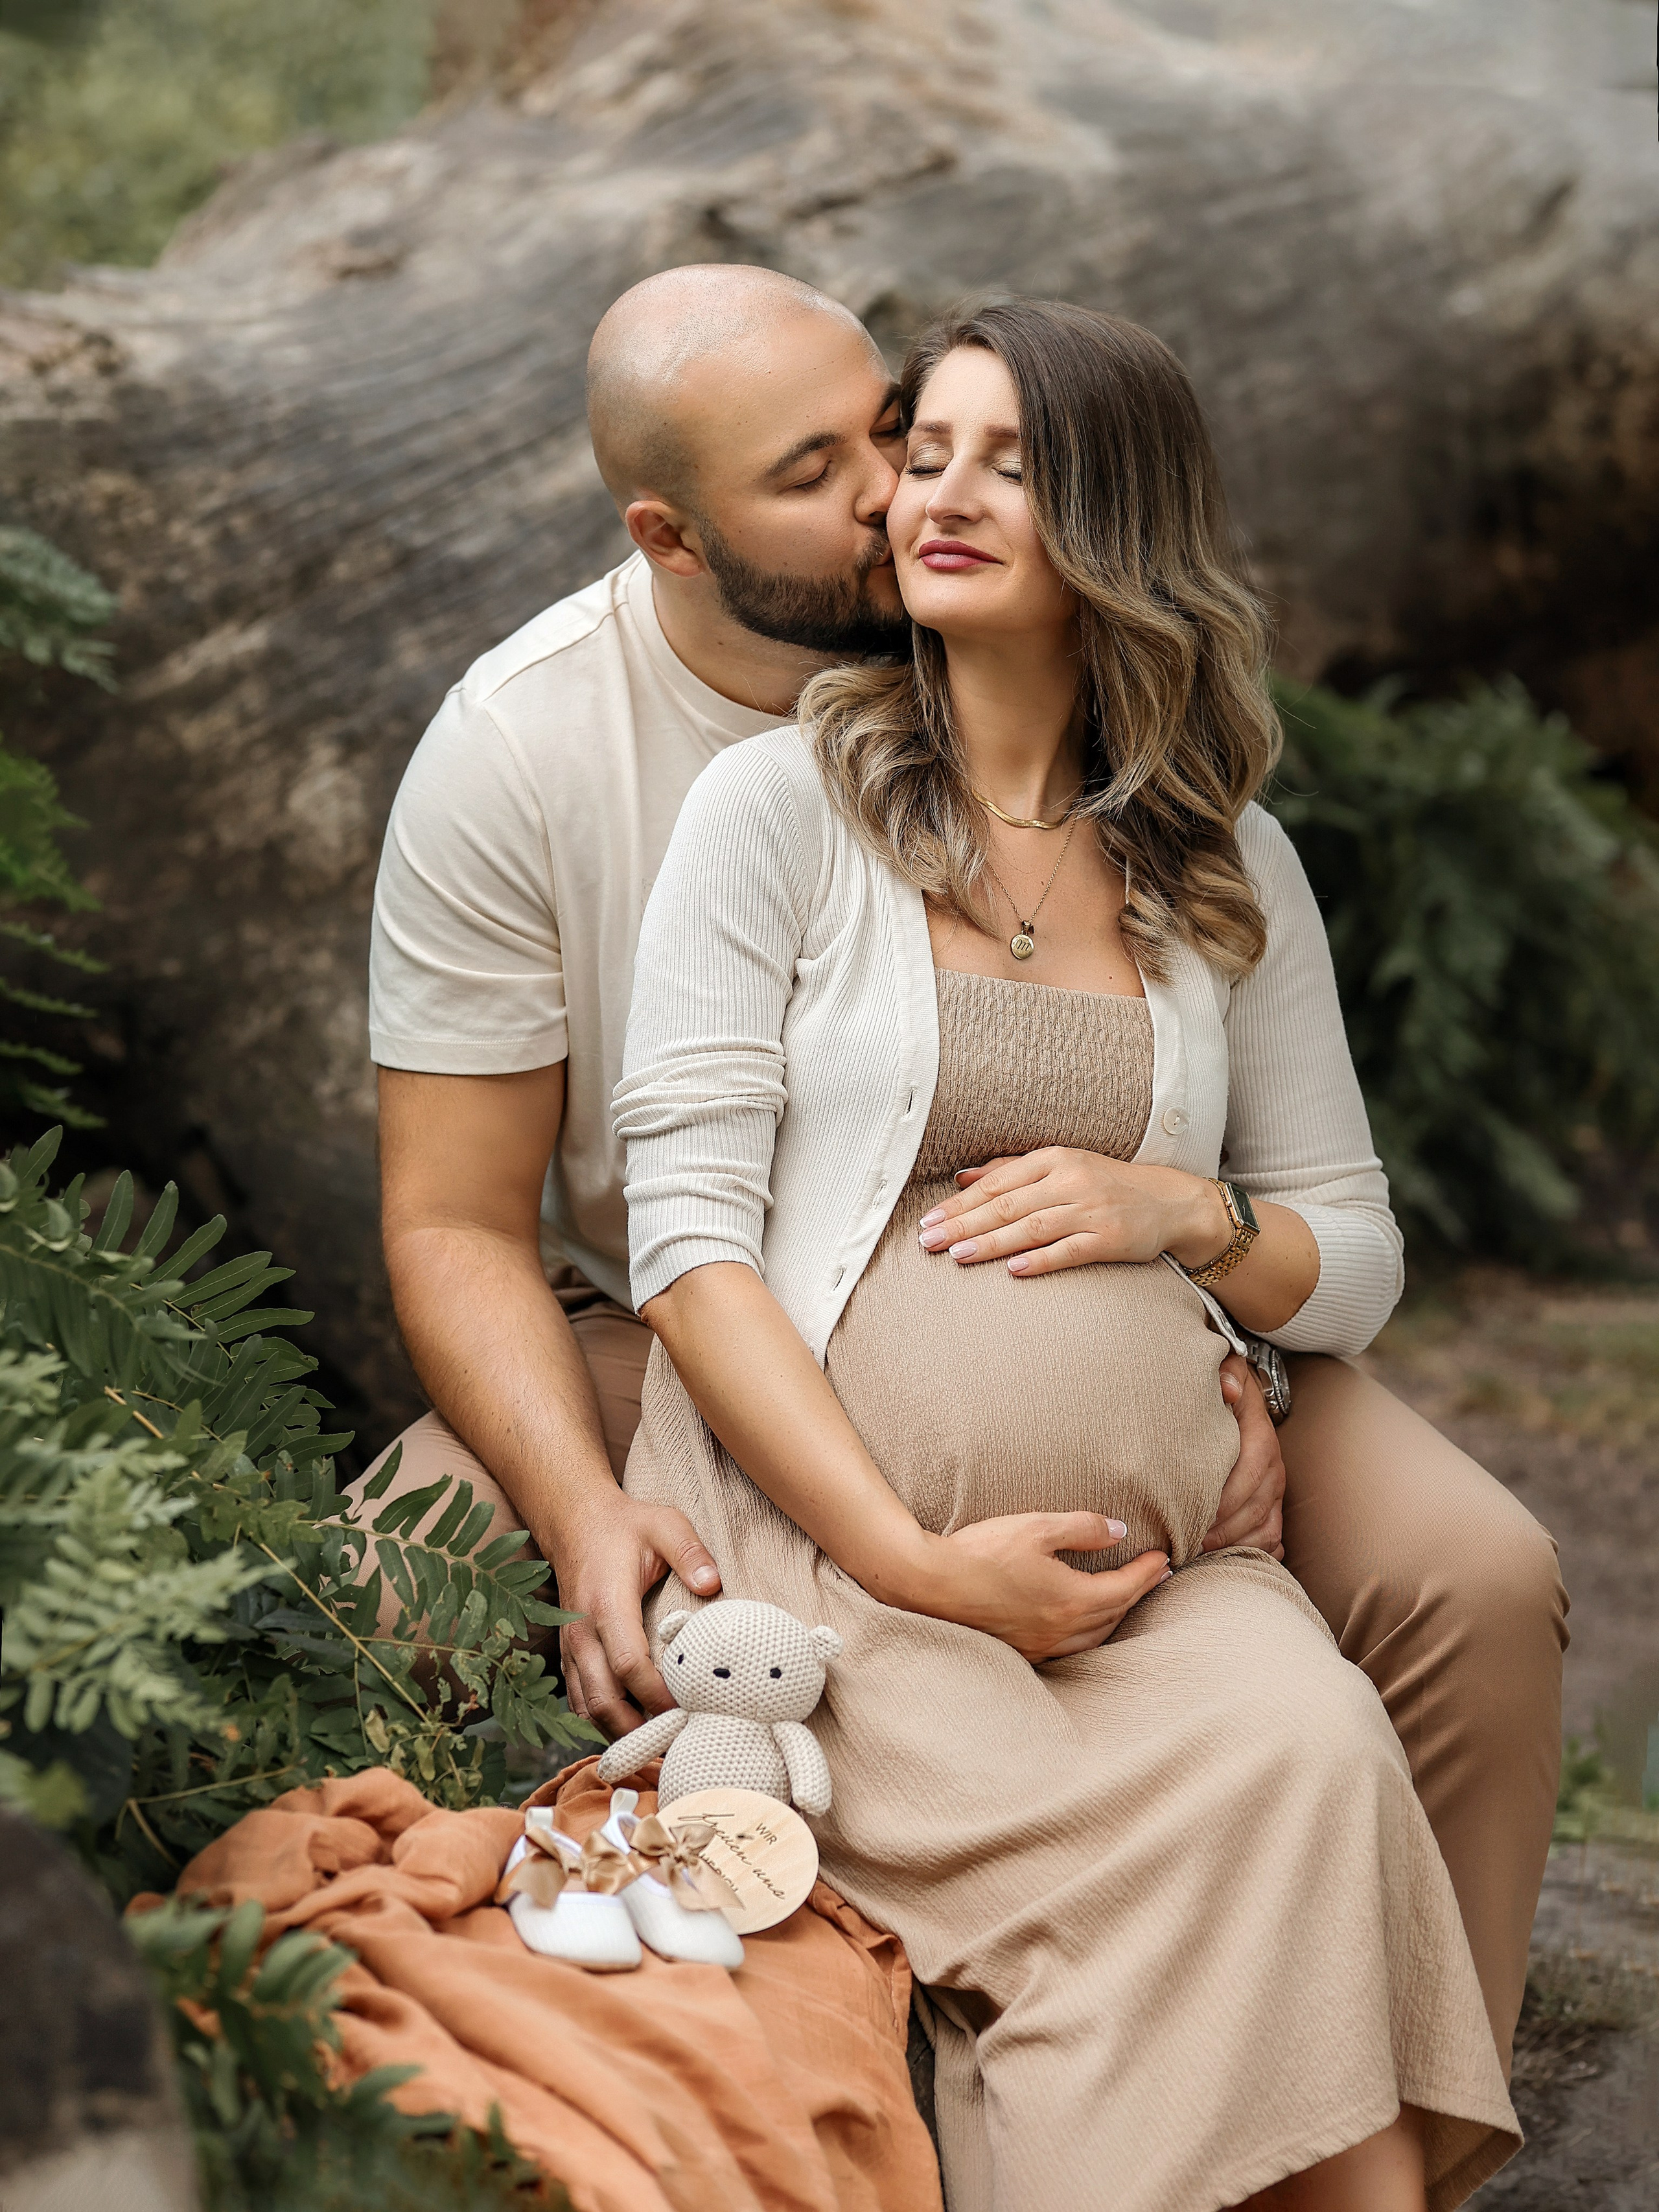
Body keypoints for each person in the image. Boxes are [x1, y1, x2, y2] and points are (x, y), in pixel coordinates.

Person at [365, 264, 1563, 2080]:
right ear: (674, 537)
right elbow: (466, 1220)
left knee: (1473, 1570)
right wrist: (584, 1503)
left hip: (1141, 1330)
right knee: (403, 1555)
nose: (892, 495)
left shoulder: (1174, 820)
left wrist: (1211, 1310)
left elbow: (1327, 1215)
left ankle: (1420, 2070)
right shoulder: (543, 753)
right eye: (830, 468)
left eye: (901, 431)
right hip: (688, 1323)